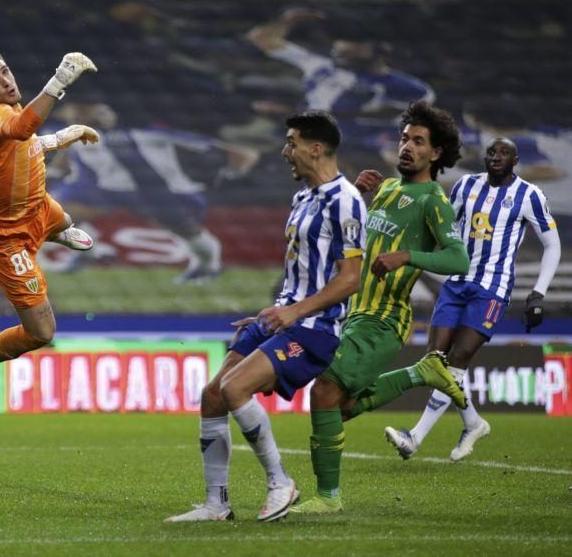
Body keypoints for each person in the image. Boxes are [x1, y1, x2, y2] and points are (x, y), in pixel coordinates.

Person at [166, 111, 366, 523]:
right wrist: (274, 311)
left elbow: (350, 280)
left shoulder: (346, 200)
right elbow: (302, 271)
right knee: (212, 395)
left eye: (291, 143)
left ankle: (280, 483)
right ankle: (216, 504)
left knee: (236, 389)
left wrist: (293, 311)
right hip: (283, 317)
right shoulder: (303, 198)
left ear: (316, 148)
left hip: (314, 328)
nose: (285, 152)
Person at [292, 101, 471, 516]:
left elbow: (458, 260)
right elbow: (357, 242)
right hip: (353, 314)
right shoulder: (389, 189)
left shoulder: (433, 200)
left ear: (436, 153)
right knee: (334, 406)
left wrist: (406, 256)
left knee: (323, 393)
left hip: (383, 320)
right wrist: (356, 192)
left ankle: (328, 498)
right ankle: (420, 372)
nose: (406, 147)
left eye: (418, 141)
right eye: (404, 138)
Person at [383, 137, 560, 461]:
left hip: (491, 289)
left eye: (503, 152)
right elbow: (446, 227)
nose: (496, 156)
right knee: (435, 360)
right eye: (492, 151)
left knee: (458, 358)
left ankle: (415, 437)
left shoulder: (529, 195)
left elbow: (553, 244)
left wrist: (538, 293)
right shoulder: (466, 186)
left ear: (515, 160)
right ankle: (473, 422)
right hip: (456, 282)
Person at [0, 51, 101, 418]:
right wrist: (60, 80)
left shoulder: (11, 111)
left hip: (39, 210)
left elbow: (31, 144)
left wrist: (67, 135)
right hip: (8, 236)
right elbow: (22, 131)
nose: (5, 81)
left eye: (5, 72)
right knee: (42, 333)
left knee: (63, 220)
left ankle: (57, 231)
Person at [47, 101, 260, 283]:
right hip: (104, 191)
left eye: (92, 110)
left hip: (156, 192)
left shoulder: (149, 133)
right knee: (52, 214)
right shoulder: (75, 137)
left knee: (185, 230)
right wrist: (51, 174)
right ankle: (89, 254)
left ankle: (208, 266)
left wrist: (231, 175)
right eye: (76, 110)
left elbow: (242, 154)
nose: (80, 115)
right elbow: (64, 160)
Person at [246, 8, 435, 118]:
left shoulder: (405, 86)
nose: (343, 50)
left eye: (355, 45)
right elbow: (260, 38)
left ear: (381, 52)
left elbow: (415, 113)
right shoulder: (319, 63)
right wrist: (288, 20)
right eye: (341, 45)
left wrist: (361, 108)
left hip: (352, 145)